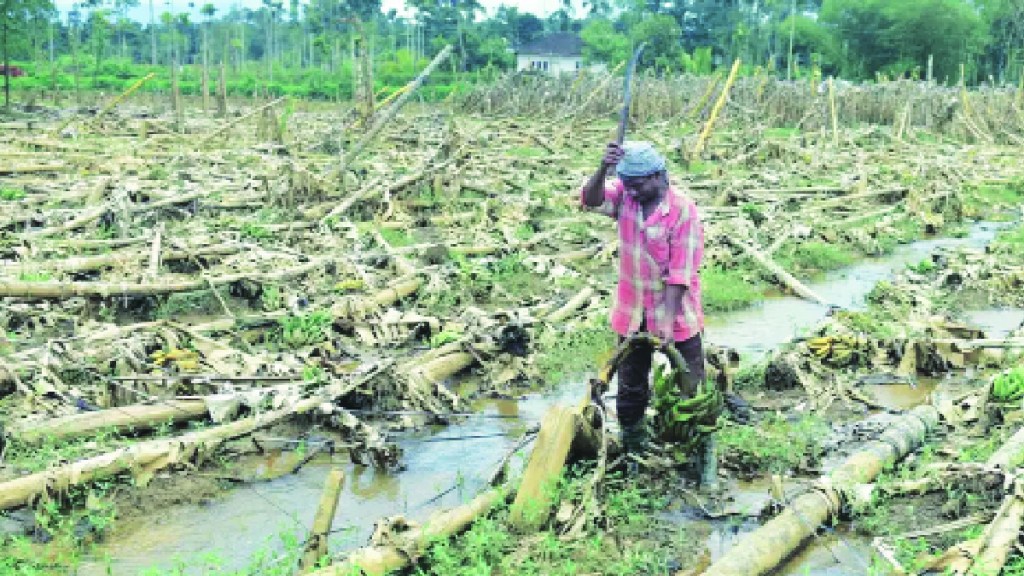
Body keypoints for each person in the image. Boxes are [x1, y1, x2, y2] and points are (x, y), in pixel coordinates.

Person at [580, 141, 706, 454]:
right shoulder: (625, 195)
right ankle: (633, 445)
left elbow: (681, 273)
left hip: (677, 313)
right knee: (631, 384)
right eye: (628, 185)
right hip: (632, 311)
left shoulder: (682, 211)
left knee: (691, 384)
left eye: (638, 186)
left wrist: (665, 320)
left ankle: (700, 448)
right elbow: (590, 199)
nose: (631, 191)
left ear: (659, 177)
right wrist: (602, 168)